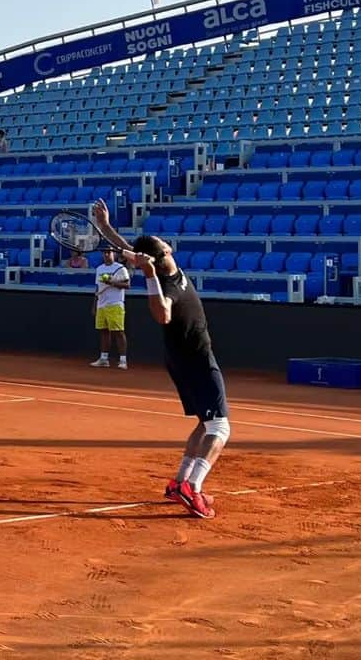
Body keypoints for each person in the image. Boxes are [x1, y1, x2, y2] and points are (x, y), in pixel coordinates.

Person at [92, 198, 229, 521]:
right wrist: (150, 275)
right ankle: (192, 486)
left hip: (183, 358)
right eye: (165, 247)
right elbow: (162, 315)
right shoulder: (164, 283)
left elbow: (129, 249)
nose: (169, 246)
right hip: (195, 358)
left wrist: (105, 227)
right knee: (220, 428)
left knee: (204, 422)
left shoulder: (158, 265)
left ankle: (178, 482)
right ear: (162, 255)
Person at [90, 247, 130, 370]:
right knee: (103, 331)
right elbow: (97, 288)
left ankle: (123, 360)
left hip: (115, 304)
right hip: (101, 304)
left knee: (118, 332)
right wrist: (94, 305)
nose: (107, 255)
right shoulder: (99, 269)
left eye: (109, 252)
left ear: (114, 254)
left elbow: (127, 285)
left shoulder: (120, 269)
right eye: (105, 253)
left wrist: (112, 282)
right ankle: (104, 359)